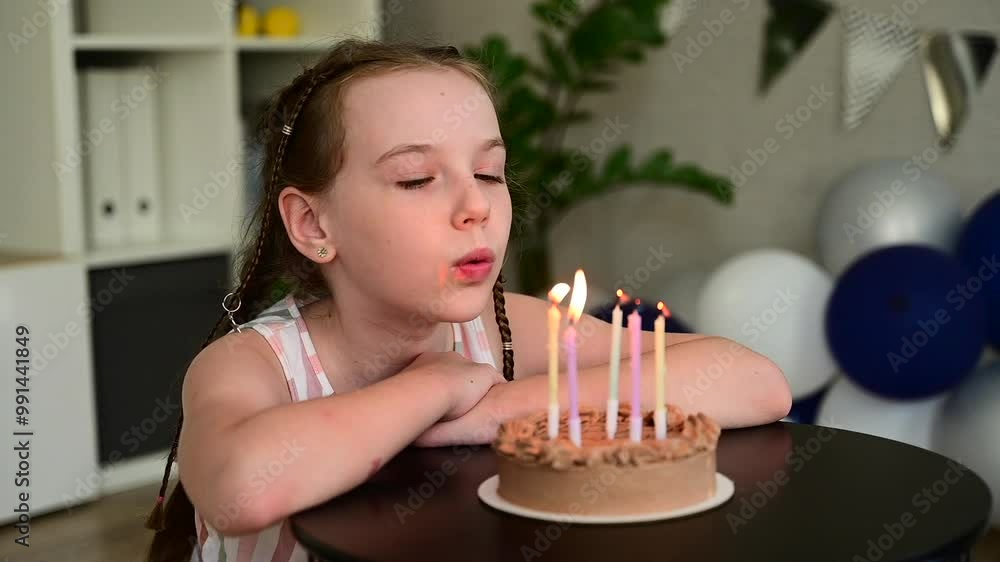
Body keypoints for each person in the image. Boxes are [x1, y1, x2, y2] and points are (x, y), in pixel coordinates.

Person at [144, 39, 792, 562]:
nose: (476, 205)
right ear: (314, 224)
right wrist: (435, 387)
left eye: (488, 172)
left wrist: (497, 408)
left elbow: (756, 384)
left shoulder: (504, 331)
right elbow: (241, 489)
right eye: (417, 178)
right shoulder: (254, 364)